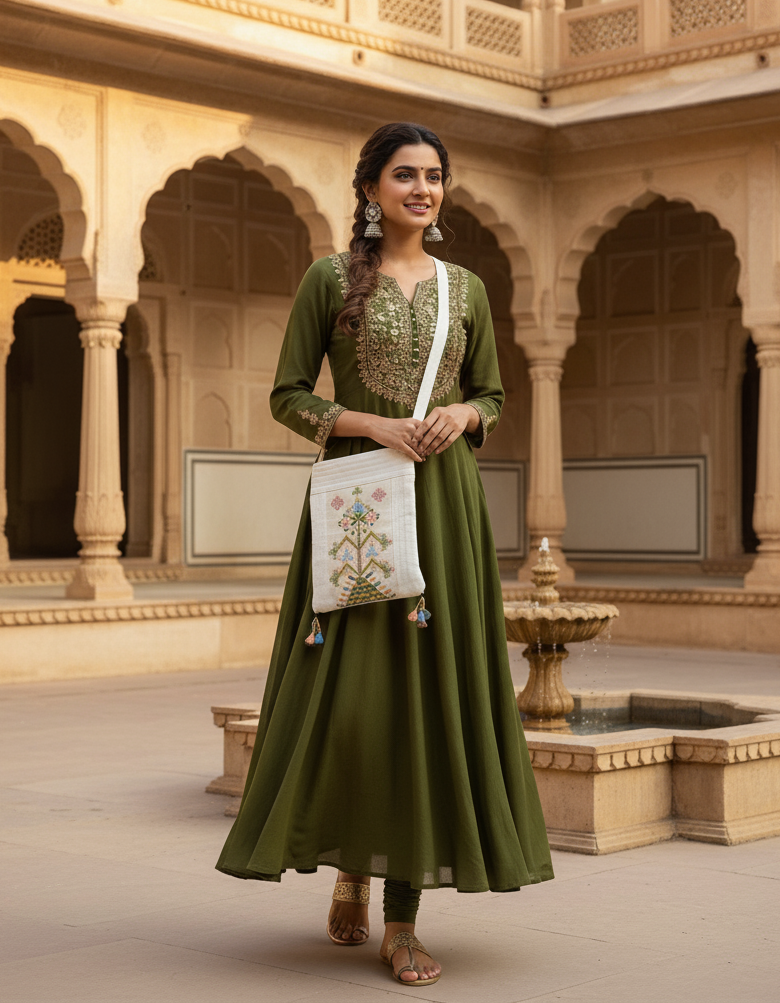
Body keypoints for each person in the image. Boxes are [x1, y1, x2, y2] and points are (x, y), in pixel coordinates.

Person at [216, 122, 553, 987]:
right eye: (405, 175)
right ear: (370, 188)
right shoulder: (329, 281)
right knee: (358, 702)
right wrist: (374, 424)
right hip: (361, 508)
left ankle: (401, 917)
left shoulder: (466, 289)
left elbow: (494, 392)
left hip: (445, 514)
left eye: (435, 177)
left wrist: (466, 417)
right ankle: (351, 867)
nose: (423, 189)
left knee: (427, 706)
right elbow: (288, 396)